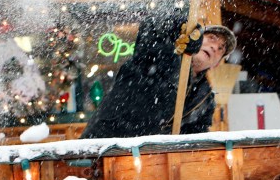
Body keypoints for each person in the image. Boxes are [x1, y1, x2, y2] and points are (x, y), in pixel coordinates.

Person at [81, 12, 236, 139]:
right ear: (197, 37)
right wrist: (179, 26)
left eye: (221, 49)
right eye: (211, 38)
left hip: (148, 162)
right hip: (103, 143)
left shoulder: (205, 98)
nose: (215, 47)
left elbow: (195, 139)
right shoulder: (159, 57)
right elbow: (150, 25)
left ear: (216, 64)